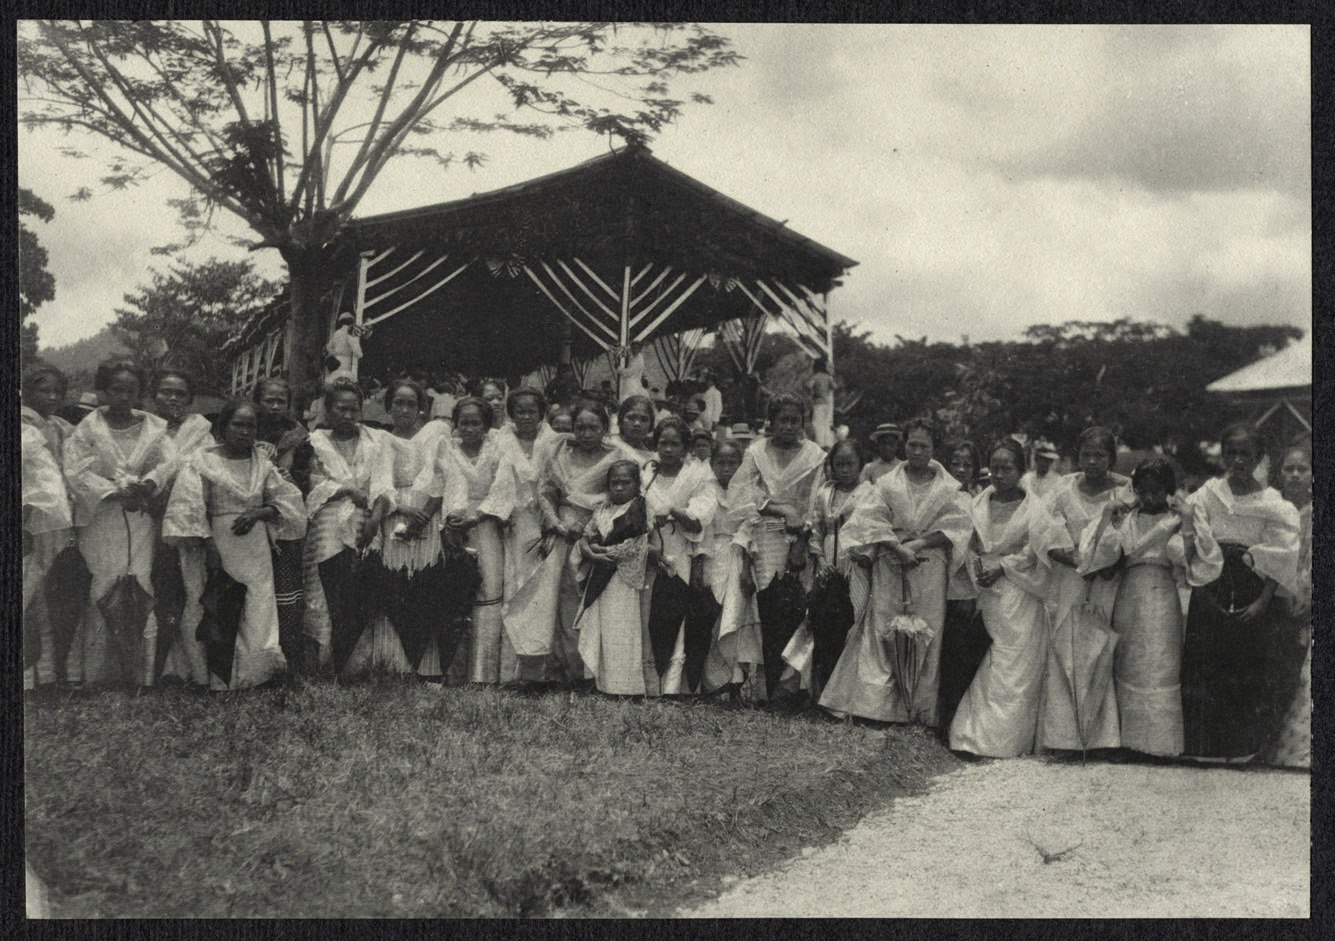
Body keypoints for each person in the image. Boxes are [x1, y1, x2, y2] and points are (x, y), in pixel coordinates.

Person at [826, 418, 970, 725]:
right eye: (912, 445)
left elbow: (957, 525)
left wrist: (918, 543)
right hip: (891, 562)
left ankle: (918, 711)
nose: (917, 451)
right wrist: (896, 547)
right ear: (904, 446)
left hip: (929, 565)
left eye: (924, 446)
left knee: (927, 633)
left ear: (934, 449)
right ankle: (878, 708)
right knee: (884, 629)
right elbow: (869, 520)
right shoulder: (888, 483)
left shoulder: (947, 486)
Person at [162, 399, 306, 689]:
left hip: (254, 545)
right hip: (214, 541)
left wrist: (259, 512)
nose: (244, 431)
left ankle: (255, 675)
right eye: (237, 424)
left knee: (257, 603)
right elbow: (190, 508)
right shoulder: (202, 461)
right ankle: (214, 677)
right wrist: (210, 547)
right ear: (223, 427)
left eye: (251, 426)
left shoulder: (262, 464)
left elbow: (288, 501)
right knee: (214, 605)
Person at [1180, 423, 1300, 763]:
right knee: (1209, 663)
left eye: (1245, 454)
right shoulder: (1206, 495)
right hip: (1211, 582)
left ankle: (1243, 748)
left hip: (1252, 585)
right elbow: (1196, 541)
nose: (1237, 461)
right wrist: (1203, 592)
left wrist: (1263, 601)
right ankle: (1206, 748)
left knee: (1246, 666)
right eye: (1230, 453)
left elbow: (1280, 554)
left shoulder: (1273, 504)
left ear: (1258, 457)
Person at [1078, 458, 1212, 757]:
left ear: (1168, 490)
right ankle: (1127, 741)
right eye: (1143, 491)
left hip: (1163, 594)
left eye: (1156, 491)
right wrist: (1106, 519)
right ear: (1135, 490)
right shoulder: (1127, 519)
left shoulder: (1176, 520)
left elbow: (1189, 561)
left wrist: (1188, 521)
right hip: (1130, 594)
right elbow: (1100, 560)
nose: (1149, 497)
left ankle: (1161, 744)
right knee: (1129, 661)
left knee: (1161, 662)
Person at [63, 360, 179, 687]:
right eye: (116, 389)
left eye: (130, 390)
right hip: (103, 517)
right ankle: (98, 674)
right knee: (103, 586)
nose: (123, 396)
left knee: (140, 584)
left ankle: (140, 675)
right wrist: (114, 492)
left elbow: (169, 461)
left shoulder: (154, 426)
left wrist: (148, 485)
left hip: (140, 516)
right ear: (103, 390)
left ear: (140, 392)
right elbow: (75, 470)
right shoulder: (89, 426)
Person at [508, 401, 627, 685]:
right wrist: (558, 524)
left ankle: (587, 673)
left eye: (593, 428)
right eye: (580, 427)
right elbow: (546, 493)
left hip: (596, 537)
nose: (586, 433)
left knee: (586, 605)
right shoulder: (559, 454)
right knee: (554, 604)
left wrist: (587, 530)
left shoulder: (616, 459)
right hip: (559, 538)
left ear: (605, 429)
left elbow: (617, 499)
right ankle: (554, 670)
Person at [949, 439, 1052, 757]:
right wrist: (980, 568)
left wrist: (1003, 566)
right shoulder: (978, 503)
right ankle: (973, 738)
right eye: (994, 468)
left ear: (1021, 471)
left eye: (1007, 468)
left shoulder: (1036, 508)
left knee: (1014, 667)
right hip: (987, 593)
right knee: (988, 662)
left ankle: (1007, 742)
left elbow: (1035, 550)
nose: (999, 474)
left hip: (1020, 594)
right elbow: (967, 542)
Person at [1032, 427, 1131, 753]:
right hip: (1072, 579)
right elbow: (1043, 533)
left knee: (1102, 647)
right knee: (1067, 647)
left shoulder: (1125, 493)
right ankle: (1064, 738)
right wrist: (1074, 559)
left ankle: (1103, 739)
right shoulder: (1063, 490)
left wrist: (1108, 564)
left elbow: (1128, 535)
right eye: (1086, 454)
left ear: (1111, 458)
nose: (1092, 461)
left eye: (1100, 455)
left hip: (1107, 582)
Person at [350, 380, 452, 678]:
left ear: (421, 407)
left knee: (424, 581)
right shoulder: (382, 440)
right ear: (389, 406)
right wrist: (399, 511)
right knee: (395, 581)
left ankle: (427, 666)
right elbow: (381, 485)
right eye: (398, 403)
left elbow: (443, 478)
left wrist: (424, 514)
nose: (404, 409)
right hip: (395, 513)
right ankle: (394, 663)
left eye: (410, 403)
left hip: (428, 514)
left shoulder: (434, 435)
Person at [730, 392, 827, 702]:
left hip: (801, 540)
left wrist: (802, 540)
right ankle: (765, 686)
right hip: (764, 540)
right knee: (767, 608)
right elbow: (741, 496)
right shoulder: (756, 452)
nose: (788, 426)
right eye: (782, 419)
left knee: (798, 607)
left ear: (803, 423)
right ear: (771, 421)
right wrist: (778, 508)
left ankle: (793, 686)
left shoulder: (814, 455)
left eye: (795, 420)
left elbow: (815, 502)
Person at [295, 377, 386, 674]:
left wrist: (374, 519)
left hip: (366, 517)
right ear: (329, 410)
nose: (348, 415)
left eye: (354, 409)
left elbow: (384, 485)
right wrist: (347, 491)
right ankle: (322, 662)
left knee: (358, 587)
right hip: (328, 519)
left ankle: (352, 664)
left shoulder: (375, 440)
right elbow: (313, 484)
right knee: (325, 587)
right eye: (341, 409)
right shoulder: (315, 442)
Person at [437, 396, 515, 683]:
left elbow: (503, 490)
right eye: (463, 423)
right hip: (452, 525)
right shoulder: (447, 450)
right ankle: (453, 671)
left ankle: (482, 673)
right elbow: (435, 485)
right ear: (455, 425)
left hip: (485, 526)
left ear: (486, 426)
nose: (469, 428)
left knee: (488, 589)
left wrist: (477, 516)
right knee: (455, 593)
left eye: (475, 423)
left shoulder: (497, 452)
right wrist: (451, 522)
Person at [150, 369, 219, 687]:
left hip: (188, 519)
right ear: (154, 395)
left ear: (190, 400)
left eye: (180, 393)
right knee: (160, 588)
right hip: (149, 517)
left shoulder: (201, 431)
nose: (173, 398)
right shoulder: (147, 430)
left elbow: (210, 470)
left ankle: (195, 668)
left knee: (191, 590)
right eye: (166, 391)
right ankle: (162, 667)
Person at [643, 416, 719, 695]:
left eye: (675, 444)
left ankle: (676, 686)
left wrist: (673, 512)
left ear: (686, 447)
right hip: (650, 551)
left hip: (683, 552)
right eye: (663, 443)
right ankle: (650, 683)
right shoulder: (646, 473)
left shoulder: (698, 476)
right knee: (653, 615)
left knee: (679, 615)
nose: (668, 449)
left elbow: (699, 520)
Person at [798, 439, 877, 698]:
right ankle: (823, 689)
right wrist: (820, 561)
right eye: (839, 464)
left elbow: (876, 530)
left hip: (855, 564)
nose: (844, 470)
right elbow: (816, 530)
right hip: (828, 564)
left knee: (854, 621)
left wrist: (865, 556)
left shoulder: (870, 493)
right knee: (822, 622)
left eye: (850, 464)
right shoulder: (824, 492)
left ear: (861, 465)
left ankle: (849, 694)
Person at [496, 388, 564, 684]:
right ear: (511, 414)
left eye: (532, 411)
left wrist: (553, 518)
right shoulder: (499, 440)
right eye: (520, 411)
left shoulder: (553, 441)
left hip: (544, 523)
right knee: (511, 588)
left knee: (542, 596)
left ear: (541, 414)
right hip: (510, 524)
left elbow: (562, 482)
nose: (526, 417)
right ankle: (508, 670)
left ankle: (538, 671)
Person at [574, 460, 655, 695]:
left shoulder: (640, 507)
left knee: (621, 629)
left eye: (626, 482)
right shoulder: (602, 509)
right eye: (615, 483)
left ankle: (625, 687)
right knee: (601, 626)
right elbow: (587, 535)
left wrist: (603, 552)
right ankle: (601, 683)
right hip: (600, 576)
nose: (619, 488)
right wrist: (590, 550)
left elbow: (634, 546)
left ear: (637, 485)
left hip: (622, 578)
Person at [21, 364, 78, 689]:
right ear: (27, 392)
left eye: (58, 391)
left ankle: (42, 674)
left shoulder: (58, 426)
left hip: (53, 519)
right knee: (27, 592)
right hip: (31, 517)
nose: (53, 396)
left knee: (42, 597)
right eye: (45, 390)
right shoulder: (24, 423)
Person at [251, 378, 310, 669]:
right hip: (250, 514)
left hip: (285, 514)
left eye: (281, 401)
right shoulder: (245, 428)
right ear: (257, 402)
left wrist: (287, 478)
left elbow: (305, 477)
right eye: (269, 400)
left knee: (286, 588)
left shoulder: (298, 436)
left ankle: (289, 658)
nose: (275, 406)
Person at [698, 440, 762, 697]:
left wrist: (746, 567)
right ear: (712, 464)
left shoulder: (748, 492)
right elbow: (702, 528)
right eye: (720, 463)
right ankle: (714, 681)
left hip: (737, 556)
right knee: (713, 615)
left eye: (732, 463)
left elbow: (748, 530)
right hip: (713, 556)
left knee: (736, 614)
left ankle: (736, 680)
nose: (726, 468)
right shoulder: (706, 490)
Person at [936, 438, 990, 739]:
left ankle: (953, 718)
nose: (960, 469)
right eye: (955, 463)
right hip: (939, 570)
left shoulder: (979, 499)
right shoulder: (940, 494)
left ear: (976, 469)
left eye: (967, 465)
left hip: (965, 578)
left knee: (959, 647)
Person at [1268, 444, 1312, 769]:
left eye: (1302, 468)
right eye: (1288, 469)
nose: (1295, 474)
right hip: (1274, 600)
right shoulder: (1273, 509)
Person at [612, 395, 657, 468]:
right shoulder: (611, 448)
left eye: (644, 419)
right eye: (631, 418)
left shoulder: (652, 459)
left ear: (650, 425)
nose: (637, 424)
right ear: (620, 421)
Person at [806, 356, 835, 449]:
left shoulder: (816, 377)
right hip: (826, 403)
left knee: (817, 424)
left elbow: (808, 385)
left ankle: (819, 445)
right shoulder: (828, 377)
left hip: (817, 402)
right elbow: (834, 386)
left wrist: (813, 392)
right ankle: (827, 444)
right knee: (826, 424)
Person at [325, 313, 363, 381]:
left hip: (336, 362)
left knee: (334, 380)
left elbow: (328, 347)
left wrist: (335, 353)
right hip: (346, 363)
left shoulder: (337, 333)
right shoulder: (350, 334)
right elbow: (358, 353)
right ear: (351, 323)